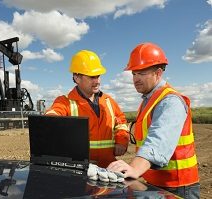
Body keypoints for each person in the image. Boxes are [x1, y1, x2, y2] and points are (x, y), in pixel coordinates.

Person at [107, 42, 200, 198]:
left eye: (141, 73)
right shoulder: (148, 101)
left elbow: (159, 140)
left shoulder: (170, 101)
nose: (135, 79)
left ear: (158, 73)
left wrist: (134, 169)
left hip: (178, 187)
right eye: (134, 73)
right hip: (155, 183)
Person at [45, 50, 129, 168]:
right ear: (77, 77)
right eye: (92, 77)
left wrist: (121, 141)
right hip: (81, 171)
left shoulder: (108, 101)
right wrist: (51, 120)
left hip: (109, 169)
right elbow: (53, 113)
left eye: (98, 76)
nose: (97, 81)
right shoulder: (65, 101)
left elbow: (121, 123)